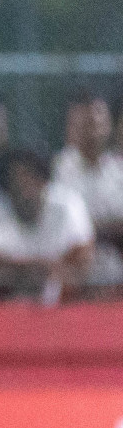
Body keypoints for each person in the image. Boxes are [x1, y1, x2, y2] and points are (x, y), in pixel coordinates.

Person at [0, 148, 93, 304]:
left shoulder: (67, 203)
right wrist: (34, 269)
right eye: (17, 178)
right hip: (5, 301)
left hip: (62, 302)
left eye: (30, 177)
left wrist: (51, 273)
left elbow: (83, 253)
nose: (24, 185)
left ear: (44, 181)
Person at [53, 94, 123, 291]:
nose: (92, 133)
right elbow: (63, 230)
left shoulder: (119, 170)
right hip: (73, 282)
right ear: (70, 129)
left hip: (115, 279)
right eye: (84, 125)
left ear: (108, 126)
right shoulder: (56, 170)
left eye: (97, 124)